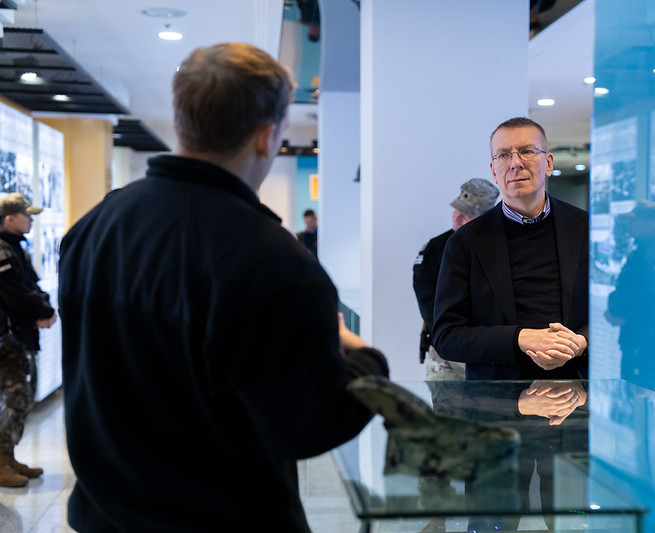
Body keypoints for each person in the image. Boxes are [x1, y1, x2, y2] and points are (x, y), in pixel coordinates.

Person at [58, 42, 389, 532]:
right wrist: (366, 359)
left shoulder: (95, 226)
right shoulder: (273, 260)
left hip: (105, 519)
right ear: (267, 136)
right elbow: (308, 427)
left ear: (182, 120)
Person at [432, 116, 589, 381]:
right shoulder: (465, 242)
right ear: (494, 171)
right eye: (504, 155)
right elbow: (447, 337)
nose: (516, 163)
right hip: (498, 396)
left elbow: (620, 311)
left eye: (527, 151)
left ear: (549, 163)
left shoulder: (588, 229)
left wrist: (580, 343)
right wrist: (520, 338)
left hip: (578, 389)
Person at [412, 178, 498, 380]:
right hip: (450, 356)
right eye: (457, 209)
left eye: (467, 214)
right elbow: (428, 301)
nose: (457, 217)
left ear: (487, 218)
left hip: (492, 353)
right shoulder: (436, 249)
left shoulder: (500, 248)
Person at [0, 192, 56, 488]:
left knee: (19, 399)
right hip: (8, 338)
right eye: (26, 215)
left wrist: (45, 308)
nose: (30, 220)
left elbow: (32, 285)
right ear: (9, 218)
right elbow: (15, 295)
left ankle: (8, 457)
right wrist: (42, 311)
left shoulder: (15, 248)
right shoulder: (3, 251)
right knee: (14, 399)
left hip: (19, 334)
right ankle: (1, 462)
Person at [605, 200, 655, 391]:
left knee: (640, 387)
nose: (631, 225)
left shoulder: (653, 253)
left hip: (644, 335)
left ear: (650, 224)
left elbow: (645, 294)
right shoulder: (642, 251)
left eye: (636, 220)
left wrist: (619, 309)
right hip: (636, 333)